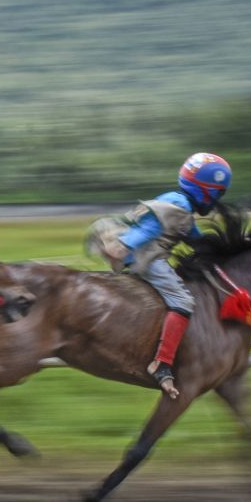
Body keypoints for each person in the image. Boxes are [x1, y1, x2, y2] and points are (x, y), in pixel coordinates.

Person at [86, 152, 232, 399]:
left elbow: (193, 236)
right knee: (184, 301)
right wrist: (124, 246)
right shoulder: (180, 205)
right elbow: (149, 229)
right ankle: (161, 362)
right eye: (217, 194)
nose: (216, 201)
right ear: (206, 191)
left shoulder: (178, 201)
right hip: (149, 259)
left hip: (149, 257)